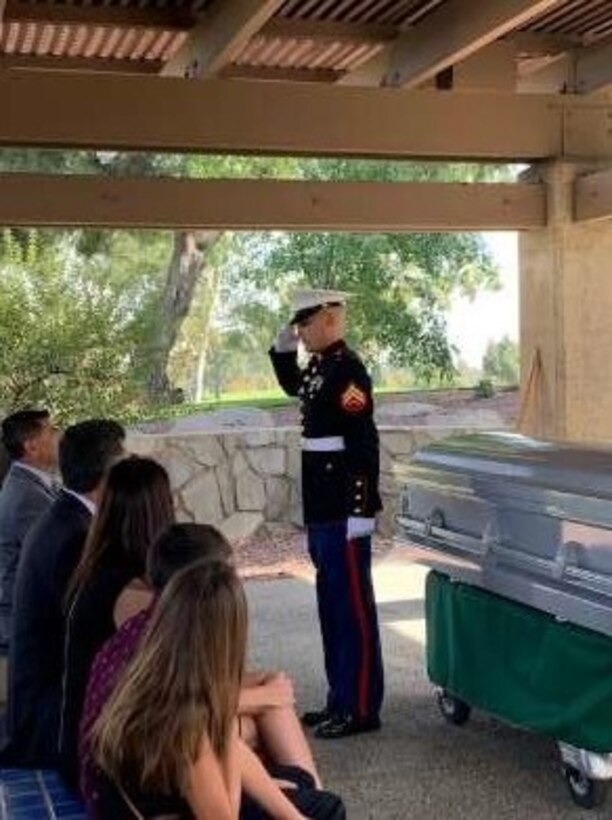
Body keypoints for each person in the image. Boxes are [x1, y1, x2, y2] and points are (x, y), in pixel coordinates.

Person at [80, 523, 321, 805]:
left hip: (134, 771)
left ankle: (307, 795)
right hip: (137, 780)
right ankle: (309, 796)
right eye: (227, 574)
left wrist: (263, 689)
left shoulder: (155, 624)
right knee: (263, 716)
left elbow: (187, 701)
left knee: (265, 705)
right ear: (202, 584)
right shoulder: (164, 641)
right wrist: (261, 698)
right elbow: (172, 714)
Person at [269, 289, 384, 739]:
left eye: (305, 324)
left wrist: (361, 508)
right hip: (322, 508)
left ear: (330, 321)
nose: (300, 332)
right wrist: (282, 352)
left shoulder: (350, 371)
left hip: (342, 508)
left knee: (352, 610)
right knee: (331, 607)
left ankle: (360, 707)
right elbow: (295, 386)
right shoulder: (321, 367)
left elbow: (363, 444)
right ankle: (340, 698)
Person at [1, 419, 125, 765]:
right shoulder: (73, 534)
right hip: (49, 721)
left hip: (49, 705)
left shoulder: (68, 516)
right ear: (109, 472)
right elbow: (97, 632)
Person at [59, 456, 175, 788]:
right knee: (247, 723)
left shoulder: (99, 565)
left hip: (86, 745)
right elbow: (171, 691)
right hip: (103, 762)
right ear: (158, 509)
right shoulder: (132, 587)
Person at [0, 409, 59, 652]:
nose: (58, 436)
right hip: (20, 628)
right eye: (51, 431)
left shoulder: (35, 484)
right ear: (32, 446)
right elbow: (52, 560)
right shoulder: (27, 497)